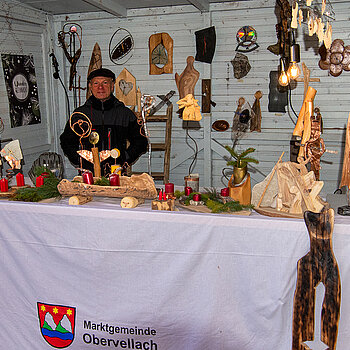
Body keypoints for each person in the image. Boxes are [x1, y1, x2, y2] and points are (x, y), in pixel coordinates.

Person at [60, 68, 148, 175]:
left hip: (116, 175)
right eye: (96, 83)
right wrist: (80, 160)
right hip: (88, 175)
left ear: (112, 86)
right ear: (90, 87)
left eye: (105, 83)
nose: (100, 87)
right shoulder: (80, 115)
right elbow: (66, 141)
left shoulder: (124, 113)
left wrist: (125, 158)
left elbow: (141, 142)